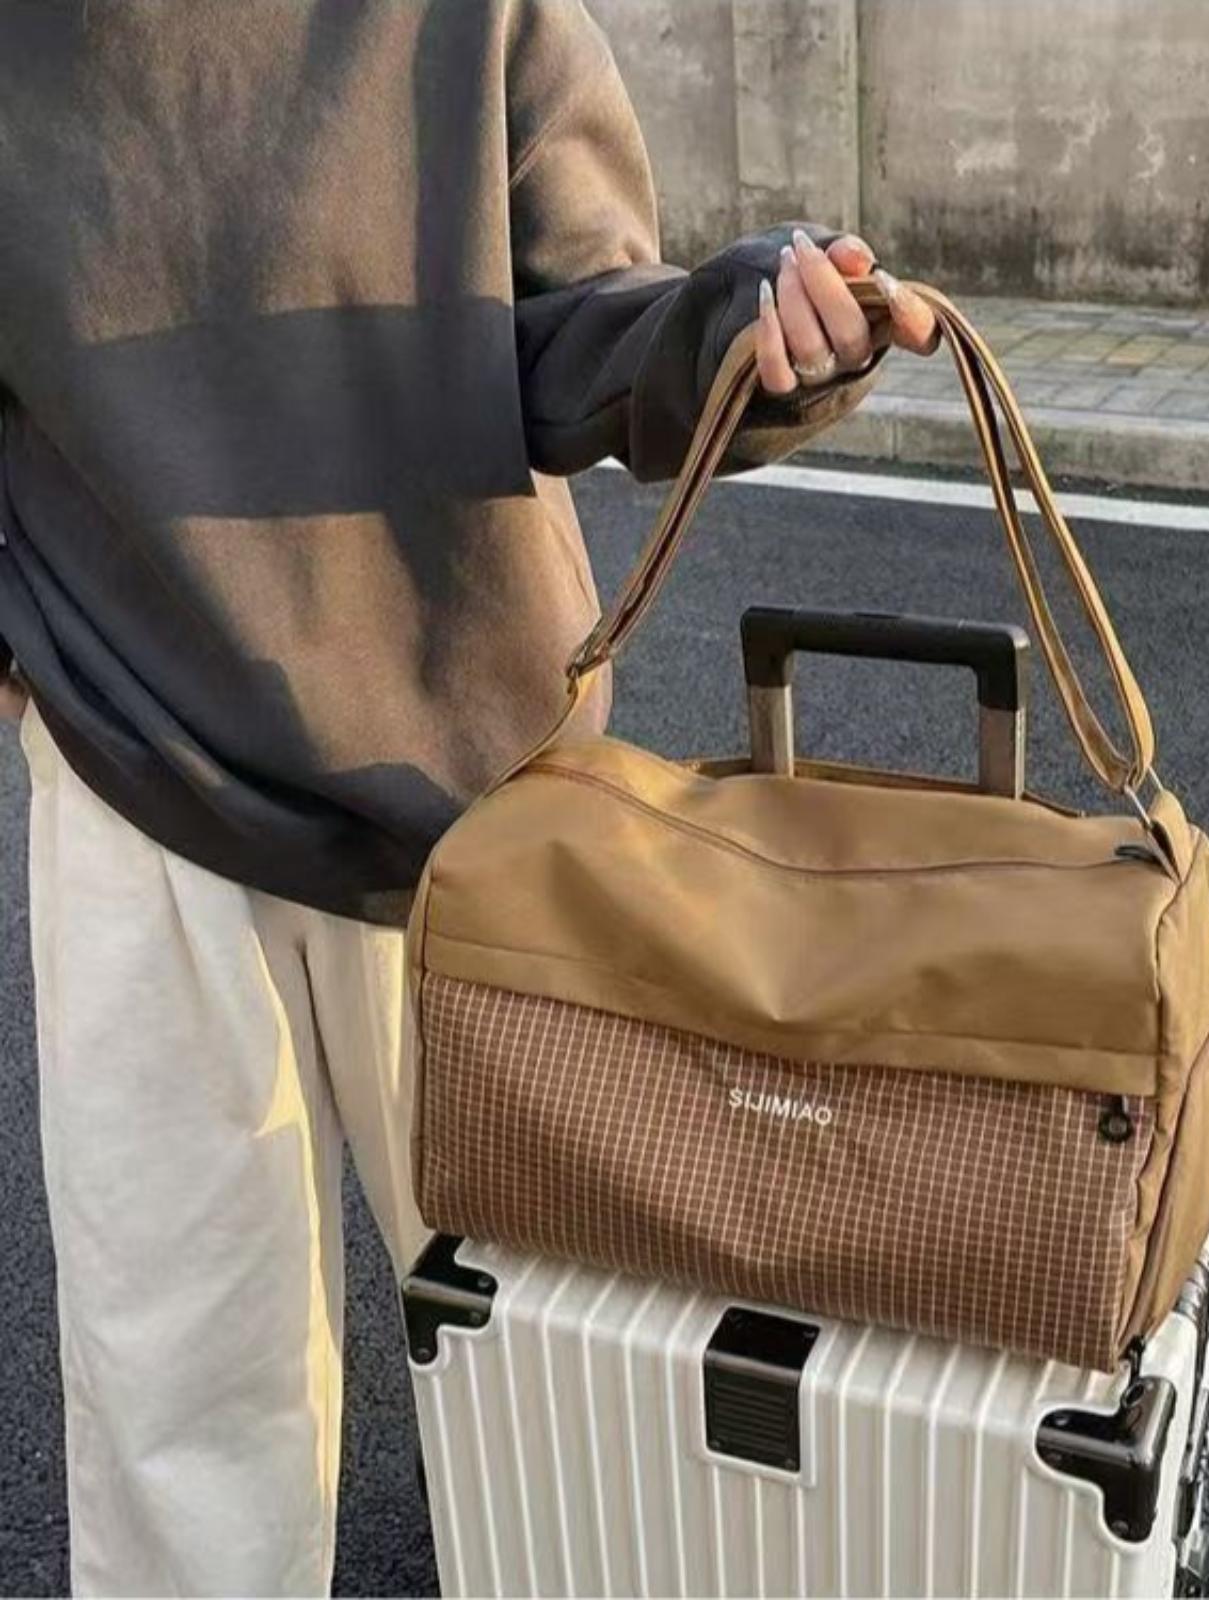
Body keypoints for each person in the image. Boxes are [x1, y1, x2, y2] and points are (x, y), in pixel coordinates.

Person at [0, 3, 937, 1593]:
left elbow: (576, 326)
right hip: (131, 776)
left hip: (470, 799)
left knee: (570, 1391)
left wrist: (742, 330)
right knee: (179, 1419)